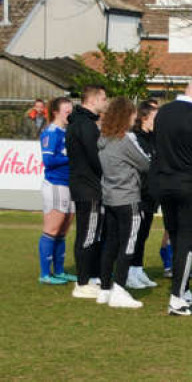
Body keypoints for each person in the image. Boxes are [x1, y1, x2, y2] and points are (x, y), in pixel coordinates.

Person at [151, 77, 192, 316]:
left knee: (176, 238)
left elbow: (157, 149)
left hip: (165, 184)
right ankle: (177, 298)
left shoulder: (163, 113)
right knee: (187, 244)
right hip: (190, 186)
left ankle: (184, 290)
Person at [95, 97, 150, 308]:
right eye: (133, 114)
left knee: (110, 244)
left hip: (110, 198)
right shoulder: (124, 140)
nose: (135, 118)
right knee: (128, 244)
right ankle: (119, 289)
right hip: (128, 198)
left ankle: (105, 289)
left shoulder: (104, 139)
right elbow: (144, 163)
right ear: (125, 116)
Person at [67, 85, 108, 299]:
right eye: (104, 98)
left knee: (91, 233)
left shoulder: (83, 122)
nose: (106, 102)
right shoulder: (85, 125)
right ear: (93, 100)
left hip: (86, 186)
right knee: (88, 234)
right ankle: (82, 283)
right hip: (88, 188)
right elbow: (96, 157)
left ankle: (90, 277)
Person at [38, 97, 76, 285]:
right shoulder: (51, 133)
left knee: (63, 230)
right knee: (52, 229)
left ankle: (59, 271)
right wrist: (72, 158)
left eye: (71, 111)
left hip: (69, 184)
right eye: (67, 112)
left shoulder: (66, 131)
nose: (70, 114)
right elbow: (49, 162)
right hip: (55, 184)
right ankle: (45, 274)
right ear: (56, 112)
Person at [127, 99, 163, 289]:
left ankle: (138, 269)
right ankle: (129, 272)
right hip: (138, 194)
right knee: (135, 234)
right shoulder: (135, 138)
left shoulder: (155, 138)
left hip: (151, 195)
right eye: (154, 117)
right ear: (144, 117)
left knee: (143, 234)